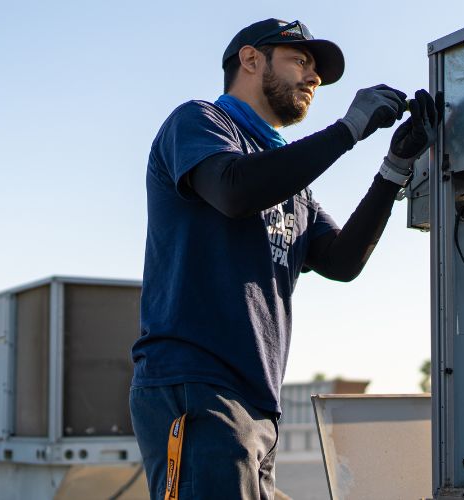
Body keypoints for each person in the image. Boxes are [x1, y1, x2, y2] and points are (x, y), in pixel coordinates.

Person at [130, 18, 437, 500]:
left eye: (315, 70)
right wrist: (348, 130)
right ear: (251, 59)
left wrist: (395, 166)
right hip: (197, 387)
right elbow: (235, 190)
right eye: (301, 61)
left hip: (257, 402)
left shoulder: (291, 184)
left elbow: (340, 261)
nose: (313, 78)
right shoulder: (199, 122)